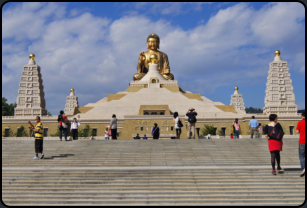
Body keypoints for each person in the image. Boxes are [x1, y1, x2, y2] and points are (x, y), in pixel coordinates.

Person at [296, 112, 305, 177]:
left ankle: (303, 168)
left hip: (302, 141)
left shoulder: (300, 122)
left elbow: (297, 132)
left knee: (302, 156)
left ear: (302, 116)